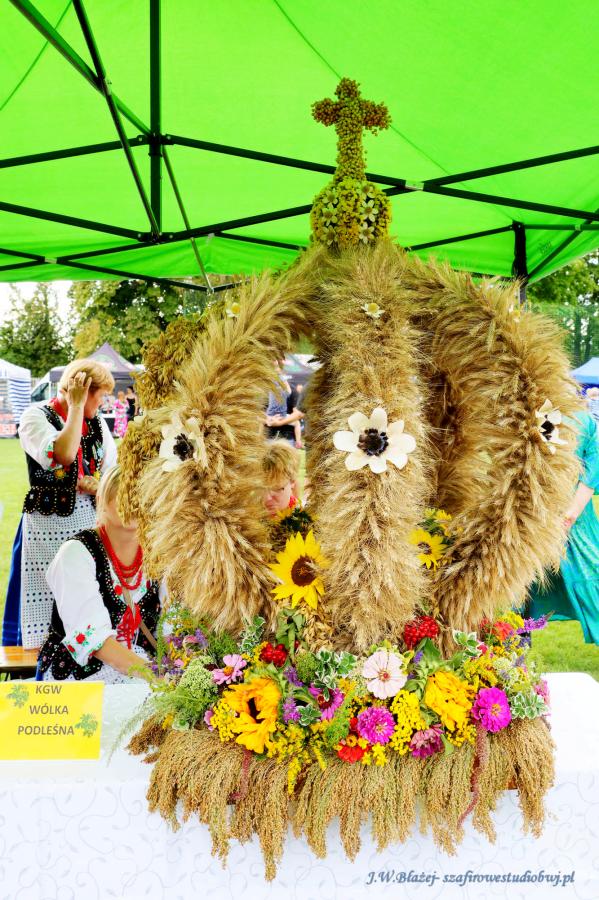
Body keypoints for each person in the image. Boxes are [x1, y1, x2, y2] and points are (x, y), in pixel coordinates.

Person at [15, 359, 117, 649]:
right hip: (45, 528)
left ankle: (91, 648)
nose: (103, 403)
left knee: (87, 588)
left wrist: (99, 484)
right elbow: (64, 454)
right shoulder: (35, 417)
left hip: (91, 522)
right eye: (100, 396)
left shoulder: (97, 424)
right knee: (45, 594)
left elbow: (112, 471)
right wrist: (75, 408)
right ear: (83, 391)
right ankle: (42, 652)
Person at [37, 466, 161, 682]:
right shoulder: (75, 553)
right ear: (101, 499)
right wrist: (158, 676)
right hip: (83, 677)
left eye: (141, 494)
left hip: (146, 669)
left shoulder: (160, 554)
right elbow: (94, 640)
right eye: (124, 494)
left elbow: (174, 625)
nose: (133, 503)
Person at [526, 410, 599, 643]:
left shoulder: (578, 419)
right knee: (519, 591)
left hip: (572, 525)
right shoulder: (534, 413)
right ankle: (509, 656)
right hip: (532, 519)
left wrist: (569, 516)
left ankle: (510, 653)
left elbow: (592, 468)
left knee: (590, 579)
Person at [264, 360, 304, 448]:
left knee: (296, 422)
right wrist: (267, 420)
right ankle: (298, 441)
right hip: (269, 433)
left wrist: (277, 422)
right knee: (296, 423)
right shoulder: (266, 389)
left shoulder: (290, 390)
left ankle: (298, 441)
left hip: (286, 436)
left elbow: (298, 414)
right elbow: (257, 413)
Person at [262, 440, 300, 517]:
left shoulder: (304, 519)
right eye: (260, 488)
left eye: (277, 488)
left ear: (292, 481)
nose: (267, 498)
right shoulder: (244, 518)